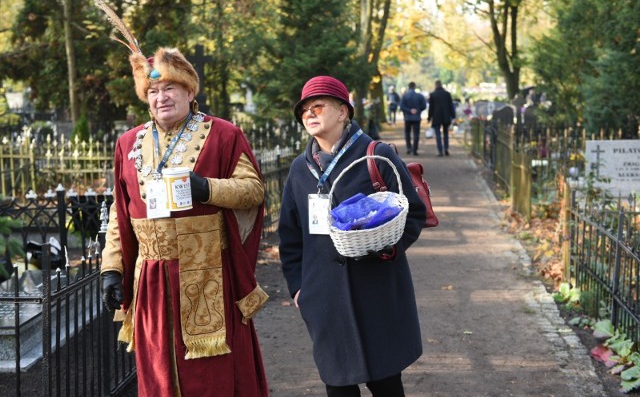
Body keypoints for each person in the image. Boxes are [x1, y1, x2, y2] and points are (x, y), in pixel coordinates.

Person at [98, 46, 269, 394]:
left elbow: (253, 191)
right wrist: (112, 268)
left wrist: (206, 188)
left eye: (169, 89)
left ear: (190, 92)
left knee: (211, 376)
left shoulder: (223, 134)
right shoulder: (127, 143)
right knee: (159, 374)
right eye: (153, 92)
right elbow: (121, 210)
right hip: (152, 281)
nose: (161, 98)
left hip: (210, 277)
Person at [278, 76, 427, 397]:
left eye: (317, 106)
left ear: (343, 111)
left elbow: (413, 213)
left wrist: (386, 248)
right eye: (304, 110)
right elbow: (289, 237)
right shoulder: (299, 170)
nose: (308, 114)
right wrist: (299, 289)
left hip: (377, 288)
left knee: (386, 382)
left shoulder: (377, 155)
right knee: (338, 384)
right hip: (324, 297)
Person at [427, 80, 456, 156]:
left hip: (436, 117)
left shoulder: (433, 95)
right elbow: (451, 106)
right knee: (446, 133)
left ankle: (440, 150)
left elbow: (431, 108)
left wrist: (429, 117)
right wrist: (453, 116)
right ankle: (446, 148)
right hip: (446, 116)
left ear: (435, 85)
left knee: (438, 134)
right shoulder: (447, 94)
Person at [399, 82, 427, 155]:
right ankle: (415, 149)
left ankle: (409, 148)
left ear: (408, 87)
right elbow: (424, 106)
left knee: (407, 133)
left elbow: (401, 106)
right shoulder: (420, 96)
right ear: (414, 87)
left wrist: (409, 110)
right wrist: (417, 110)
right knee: (416, 134)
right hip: (417, 117)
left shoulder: (405, 96)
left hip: (407, 117)